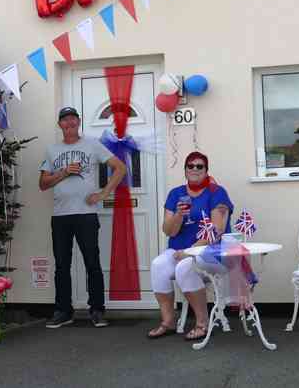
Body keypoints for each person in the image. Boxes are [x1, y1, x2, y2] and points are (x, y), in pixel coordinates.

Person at [39, 106, 126, 329]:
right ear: (60, 125)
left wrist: (103, 193)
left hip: (86, 215)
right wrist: (64, 172)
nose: (69, 123)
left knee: (92, 264)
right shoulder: (51, 150)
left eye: (72, 119)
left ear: (78, 122)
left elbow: (120, 168)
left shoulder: (92, 145)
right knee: (61, 265)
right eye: (64, 120)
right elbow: (43, 184)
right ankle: (63, 311)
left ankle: (97, 310)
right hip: (60, 216)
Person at [147, 151, 233, 341]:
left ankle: (202, 323)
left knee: (186, 268)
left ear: (206, 170)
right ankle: (168, 322)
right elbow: (169, 231)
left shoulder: (217, 193)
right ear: (185, 170)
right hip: (179, 250)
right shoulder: (176, 194)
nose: (195, 169)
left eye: (199, 166)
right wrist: (178, 214)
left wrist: (190, 252)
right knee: (158, 265)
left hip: (210, 252)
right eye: (190, 166)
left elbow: (216, 230)